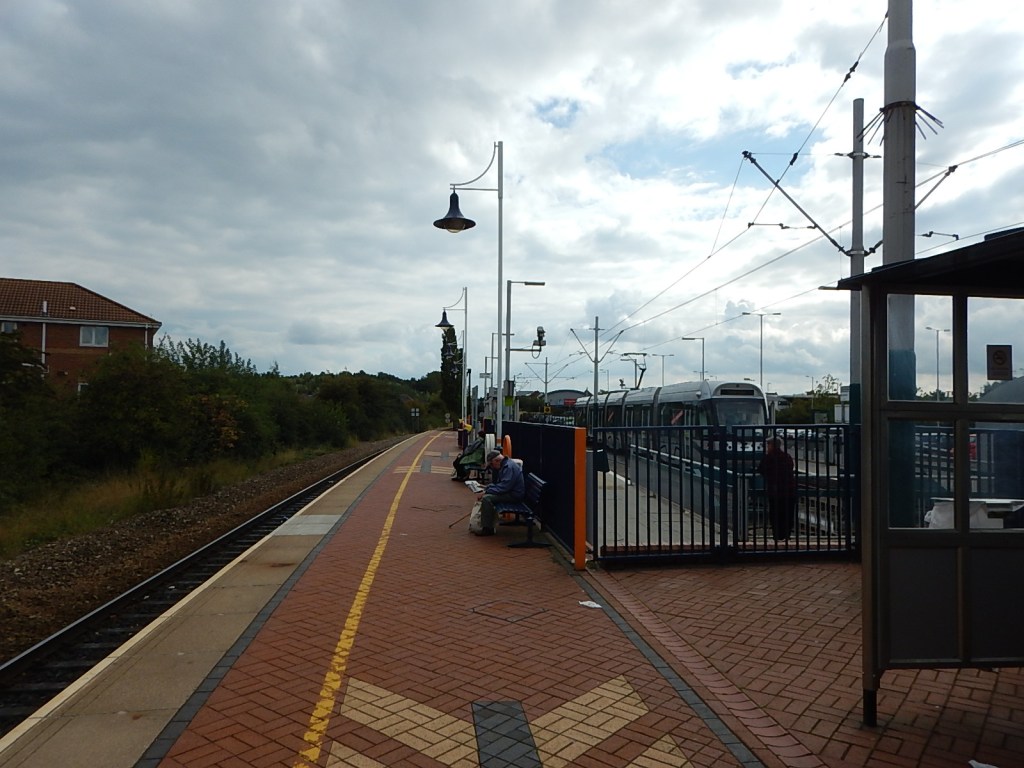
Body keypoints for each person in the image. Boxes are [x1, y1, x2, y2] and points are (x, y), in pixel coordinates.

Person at [475, 449, 525, 536]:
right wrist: (488, 488)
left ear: (497, 461)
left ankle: (487, 529)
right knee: (487, 496)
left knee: (487, 499)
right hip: (511, 492)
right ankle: (488, 525)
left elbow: (504, 487)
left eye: (492, 464)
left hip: (514, 495)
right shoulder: (506, 464)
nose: (492, 467)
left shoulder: (508, 467)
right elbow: (501, 484)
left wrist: (486, 492)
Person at [757, 436, 796, 541]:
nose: (767, 447)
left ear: (772, 445)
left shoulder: (768, 458)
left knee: (775, 515)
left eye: (768, 445)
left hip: (775, 491)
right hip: (789, 491)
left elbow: (761, 470)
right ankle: (786, 535)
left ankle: (777, 536)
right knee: (787, 514)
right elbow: (791, 467)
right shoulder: (787, 456)